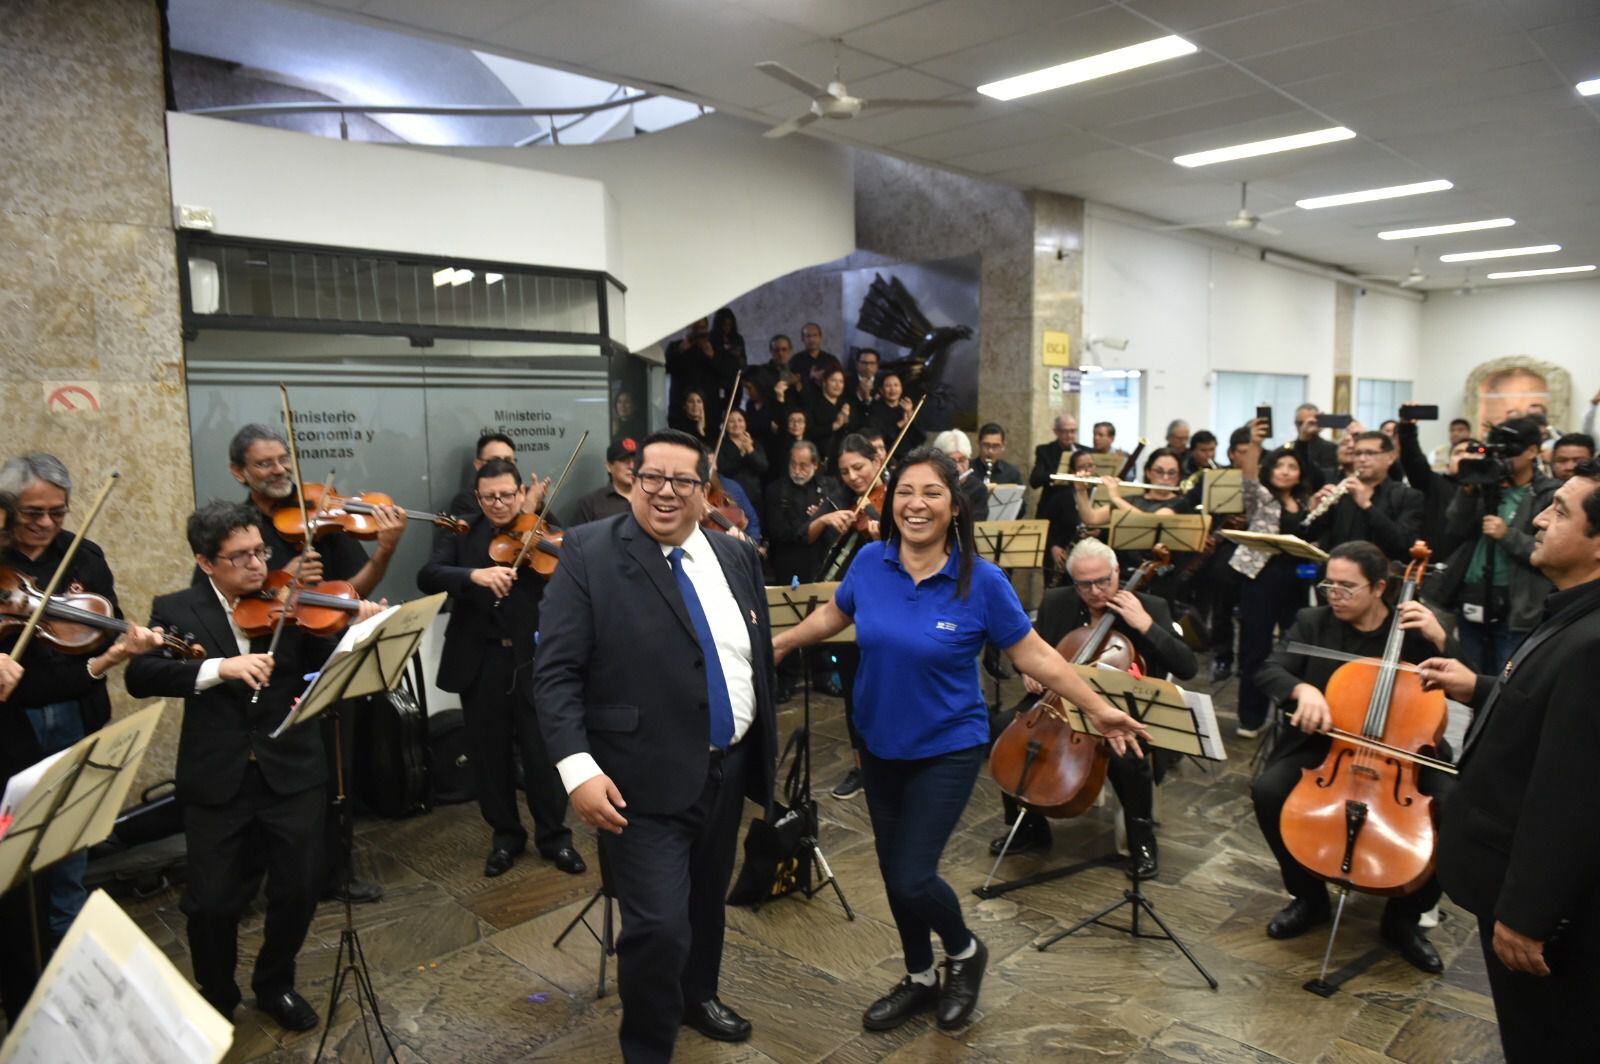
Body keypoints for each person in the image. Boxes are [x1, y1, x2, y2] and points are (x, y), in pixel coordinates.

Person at [772, 447, 1148, 1034]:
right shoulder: (872, 562)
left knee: (912, 875)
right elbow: (834, 615)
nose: (916, 504)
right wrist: (783, 642)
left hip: (946, 745)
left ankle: (966, 951)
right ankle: (921, 976)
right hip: (878, 741)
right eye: (905, 493)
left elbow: (1038, 658)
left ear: (954, 507)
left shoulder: (982, 580)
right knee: (893, 866)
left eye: (931, 493)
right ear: (890, 502)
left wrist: (1099, 708)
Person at [533, 429, 777, 1062]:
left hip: (727, 766)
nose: (667, 493)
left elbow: (748, 658)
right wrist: (576, 768)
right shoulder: (587, 551)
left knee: (706, 901)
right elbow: (555, 671)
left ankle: (699, 996)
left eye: (683, 481)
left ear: (704, 489)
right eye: (653, 479)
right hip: (635, 781)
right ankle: (647, 1047)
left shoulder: (735, 556)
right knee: (657, 929)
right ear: (632, 481)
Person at [126, 501, 385, 1029]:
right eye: (240, 556)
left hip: (291, 767)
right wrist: (220, 667)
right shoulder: (176, 608)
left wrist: (357, 630)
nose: (257, 565)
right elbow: (142, 676)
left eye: (261, 551)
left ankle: (275, 982)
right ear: (206, 562)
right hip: (218, 776)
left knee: (299, 886)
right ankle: (216, 993)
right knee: (213, 903)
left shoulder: (290, 600)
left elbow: (322, 663)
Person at [1419, 459, 1600, 1062]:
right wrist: (1481, 687)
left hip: (1541, 914)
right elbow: (1558, 715)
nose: (1540, 520)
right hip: (1522, 893)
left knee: (1543, 1040)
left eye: (1561, 511)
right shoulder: (1575, 614)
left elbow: (1573, 792)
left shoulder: (1593, 644)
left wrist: (1526, 914)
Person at [0, 459, 164, 1024]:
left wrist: (119, 648)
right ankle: (23, 992)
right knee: (17, 869)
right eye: (31, 513)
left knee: (70, 857)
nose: (45, 523)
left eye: (56, 511)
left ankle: (70, 994)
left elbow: (108, 620)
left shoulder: (84, 556)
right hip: (11, 731)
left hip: (73, 712)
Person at [1250, 540, 1461, 973]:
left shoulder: (1420, 630)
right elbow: (1270, 668)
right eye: (1329, 585)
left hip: (1405, 752)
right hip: (1329, 747)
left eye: (1347, 587)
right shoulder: (1313, 622)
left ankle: (1404, 918)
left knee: (1455, 807)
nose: (1334, 595)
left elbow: (1470, 679)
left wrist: (1445, 641)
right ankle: (1308, 898)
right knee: (1268, 790)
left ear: (1380, 587)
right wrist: (1301, 688)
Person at [219, 423, 405, 905]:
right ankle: (249, 886)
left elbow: (353, 590)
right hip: (270, 669)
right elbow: (226, 597)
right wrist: (283, 582)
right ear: (239, 473)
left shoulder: (318, 515)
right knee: (267, 785)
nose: (279, 469)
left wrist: (384, 549)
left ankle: (332, 874)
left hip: (326, 661)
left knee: (334, 775)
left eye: (284, 459)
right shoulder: (234, 528)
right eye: (264, 463)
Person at [989, 538, 1196, 876]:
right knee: (1003, 730)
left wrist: (1144, 623)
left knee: (1129, 755)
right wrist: (1026, 670)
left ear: (1117, 572)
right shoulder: (1058, 602)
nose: (1097, 591)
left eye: (1104, 580)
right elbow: (1028, 650)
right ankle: (1027, 827)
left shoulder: (1149, 605)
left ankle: (1141, 837)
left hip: (1121, 708)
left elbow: (1187, 666)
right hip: (1057, 703)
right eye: (1085, 584)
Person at [418, 459, 582, 879]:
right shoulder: (461, 530)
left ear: (519, 492)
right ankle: (506, 837)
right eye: (489, 497)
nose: (498, 503)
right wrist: (474, 575)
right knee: (489, 756)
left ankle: (555, 838)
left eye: (507, 495)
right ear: (477, 497)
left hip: (533, 657)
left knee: (542, 753)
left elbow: (572, 561)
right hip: (481, 659)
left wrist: (539, 530)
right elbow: (429, 575)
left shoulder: (541, 524)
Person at [1430, 417, 1559, 677]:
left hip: (1517, 606)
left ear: (1532, 451)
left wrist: (1507, 534)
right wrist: (1468, 492)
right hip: (1473, 595)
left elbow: (1551, 551)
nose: (1501, 461)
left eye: (1507, 453)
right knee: (1469, 678)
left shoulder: (1549, 493)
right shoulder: (1485, 484)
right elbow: (1455, 526)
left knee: (1503, 683)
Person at [1230, 437, 1315, 737]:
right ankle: (1251, 717)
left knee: (1294, 647)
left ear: (1301, 473)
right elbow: (1249, 477)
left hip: (1297, 579)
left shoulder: (1307, 503)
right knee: (1256, 648)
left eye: (1292, 466)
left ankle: (1291, 715)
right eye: (1279, 465)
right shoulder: (1262, 497)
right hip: (1262, 577)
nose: (1285, 471)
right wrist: (1254, 442)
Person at [1302, 431, 1424, 562]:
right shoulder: (1341, 491)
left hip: (1378, 576)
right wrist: (1312, 511)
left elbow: (1403, 543)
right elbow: (1309, 536)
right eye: (1357, 453)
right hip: (1335, 572)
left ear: (1390, 457)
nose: (1362, 459)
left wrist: (1367, 506)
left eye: (1370, 453)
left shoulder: (1408, 496)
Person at [568, 437, 637, 527]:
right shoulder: (590, 504)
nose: (631, 466)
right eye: (624, 461)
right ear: (609, 466)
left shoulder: (650, 498)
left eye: (636, 461)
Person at [448, 432, 517, 517]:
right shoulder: (465, 502)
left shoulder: (526, 495)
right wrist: (524, 511)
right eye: (495, 461)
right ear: (478, 465)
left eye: (508, 461)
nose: (502, 467)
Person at [714, 409, 768, 511]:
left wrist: (750, 451)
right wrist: (742, 455)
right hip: (731, 495)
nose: (736, 424)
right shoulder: (720, 445)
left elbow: (763, 466)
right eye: (731, 421)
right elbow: (723, 469)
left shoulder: (754, 444)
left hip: (754, 496)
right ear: (725, 424)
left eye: (740, 420)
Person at [931, 429, 988, 522]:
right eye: (951, 461)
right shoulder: (930, 486)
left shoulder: (978, 489)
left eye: (962, 460)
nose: (957, 467)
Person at [866, 371, 923, 451]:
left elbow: (920, 438)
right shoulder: (875, 410)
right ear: (881, 390)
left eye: (896, 385)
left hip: (910, 453)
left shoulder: (906, 408)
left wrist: (910, 414)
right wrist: (901, 424)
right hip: (889, 455)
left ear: (901, 388)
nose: (893, 389)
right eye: (888, 386)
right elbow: (880, 437)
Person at [1290, 404, 1340, 487]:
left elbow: (1326, 479)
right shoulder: (1288, 448)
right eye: (1301, 423)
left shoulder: (1331, 448)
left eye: (1310, 423)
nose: (1305, 427)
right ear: (1295, 423)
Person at [791, 321, 840, 390]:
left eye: (815, 335)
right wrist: (809, 376)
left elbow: (840, 379)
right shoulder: (795, 360)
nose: (812, 339)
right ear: (802, 339)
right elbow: (788, 381)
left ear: (820, 337)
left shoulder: (831, 359)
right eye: (808, 336)